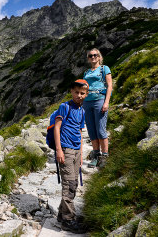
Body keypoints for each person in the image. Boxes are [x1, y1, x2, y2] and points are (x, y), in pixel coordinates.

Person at [54, 79, 88, 234]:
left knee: (73, 184)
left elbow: (80, 132)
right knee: (69, 185)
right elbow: (57, 128)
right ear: (71, 92)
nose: (79, 95)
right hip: (66, 150)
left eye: (82, 93)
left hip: (76, 151)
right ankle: (68, 220)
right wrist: (59, 150)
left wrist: (81, 155)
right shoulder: (64, 107)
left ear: (86, 94)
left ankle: (62, 216)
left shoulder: (82, 111)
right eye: (76, 92)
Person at [82, 48, 112, 168]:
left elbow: (109, 85)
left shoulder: (104, 69)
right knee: (92, 130)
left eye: (95, 55)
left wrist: (106, 102)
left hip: (100, 100)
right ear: (88, 59)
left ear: (99, 57)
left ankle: (104, 156)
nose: (93, 57)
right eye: (90, 56)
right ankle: (95, 156)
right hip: (87, 102)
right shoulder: (86, 72)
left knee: (100, 129)